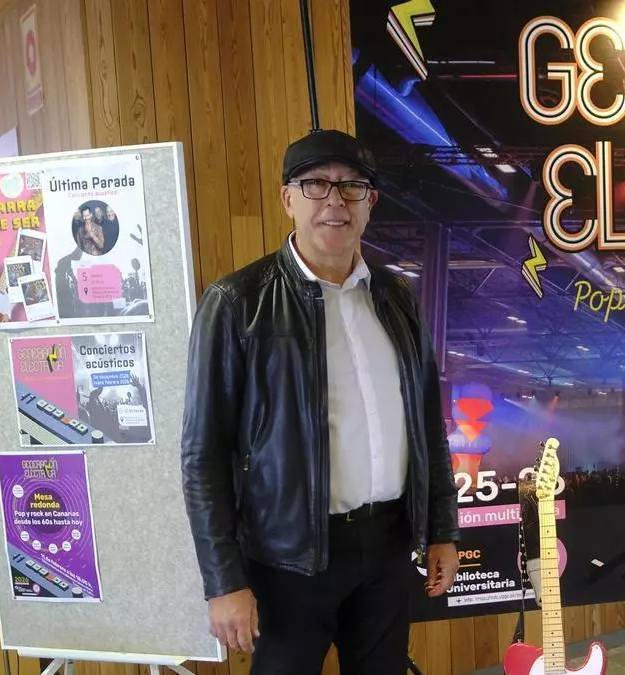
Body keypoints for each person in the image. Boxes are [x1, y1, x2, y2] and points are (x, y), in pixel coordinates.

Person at [180, 128, 461, 675]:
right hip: (287, 559)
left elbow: (429, 424)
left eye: (351, 186)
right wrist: (223, 581)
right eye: (315, 184)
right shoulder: (237, 304)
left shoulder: (396, 298)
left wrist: (443, 530)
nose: (335, 201)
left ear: (370, 201)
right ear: (288, 198)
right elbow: (202, 455)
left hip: (386, 546)